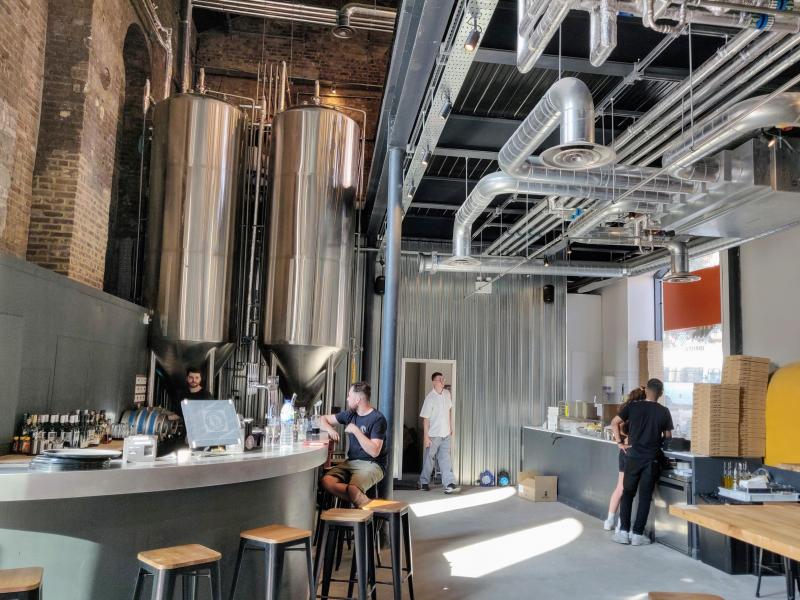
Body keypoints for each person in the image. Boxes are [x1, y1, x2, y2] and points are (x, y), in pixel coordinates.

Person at [610, 378, 673, 546]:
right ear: (660, 393)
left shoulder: (633, 407)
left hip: (633, 457)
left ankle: (623, 533)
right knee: (645, 497)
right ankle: (637, 535)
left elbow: (614, 423)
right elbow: (668, 438)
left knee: (628, 494)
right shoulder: (664, 412)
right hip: (651, 460)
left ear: (646, 391)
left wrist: (619, 443)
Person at [319, 382, 387, 508]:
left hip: (373, 464)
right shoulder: (349, 414)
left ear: (358, 399)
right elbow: (322, 419)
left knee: (353, 489)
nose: (347, 399)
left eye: (349, 396)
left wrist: (356, 430)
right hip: (351, 462)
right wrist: (330, 430)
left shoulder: (378, 419)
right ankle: (366, 503)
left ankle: (365, 512)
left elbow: (375, 451)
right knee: (326, 481)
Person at [603, 387, 646, 531]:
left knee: (620, 488)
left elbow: (615, 424)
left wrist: (620, 442)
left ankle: (609, 521)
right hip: (632, 451)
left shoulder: (626, 408)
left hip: (624, 452)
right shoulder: (635, 411)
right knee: (628, 490)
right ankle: (621, 524)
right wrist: (621, 442)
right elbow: (617, 425)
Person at [418, 372, 461, 494]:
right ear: (434, 382)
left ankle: (449, 483)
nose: (442, 381)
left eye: (443, 378)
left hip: (445, 433)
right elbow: (425, 419)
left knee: (445, 458)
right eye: (440, 379)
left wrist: (450, 427)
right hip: (433, 434)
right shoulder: (429, 398)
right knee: (429, 459)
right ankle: (424, 482)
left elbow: (448, 411)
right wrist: (426, 437)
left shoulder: (447, 394)